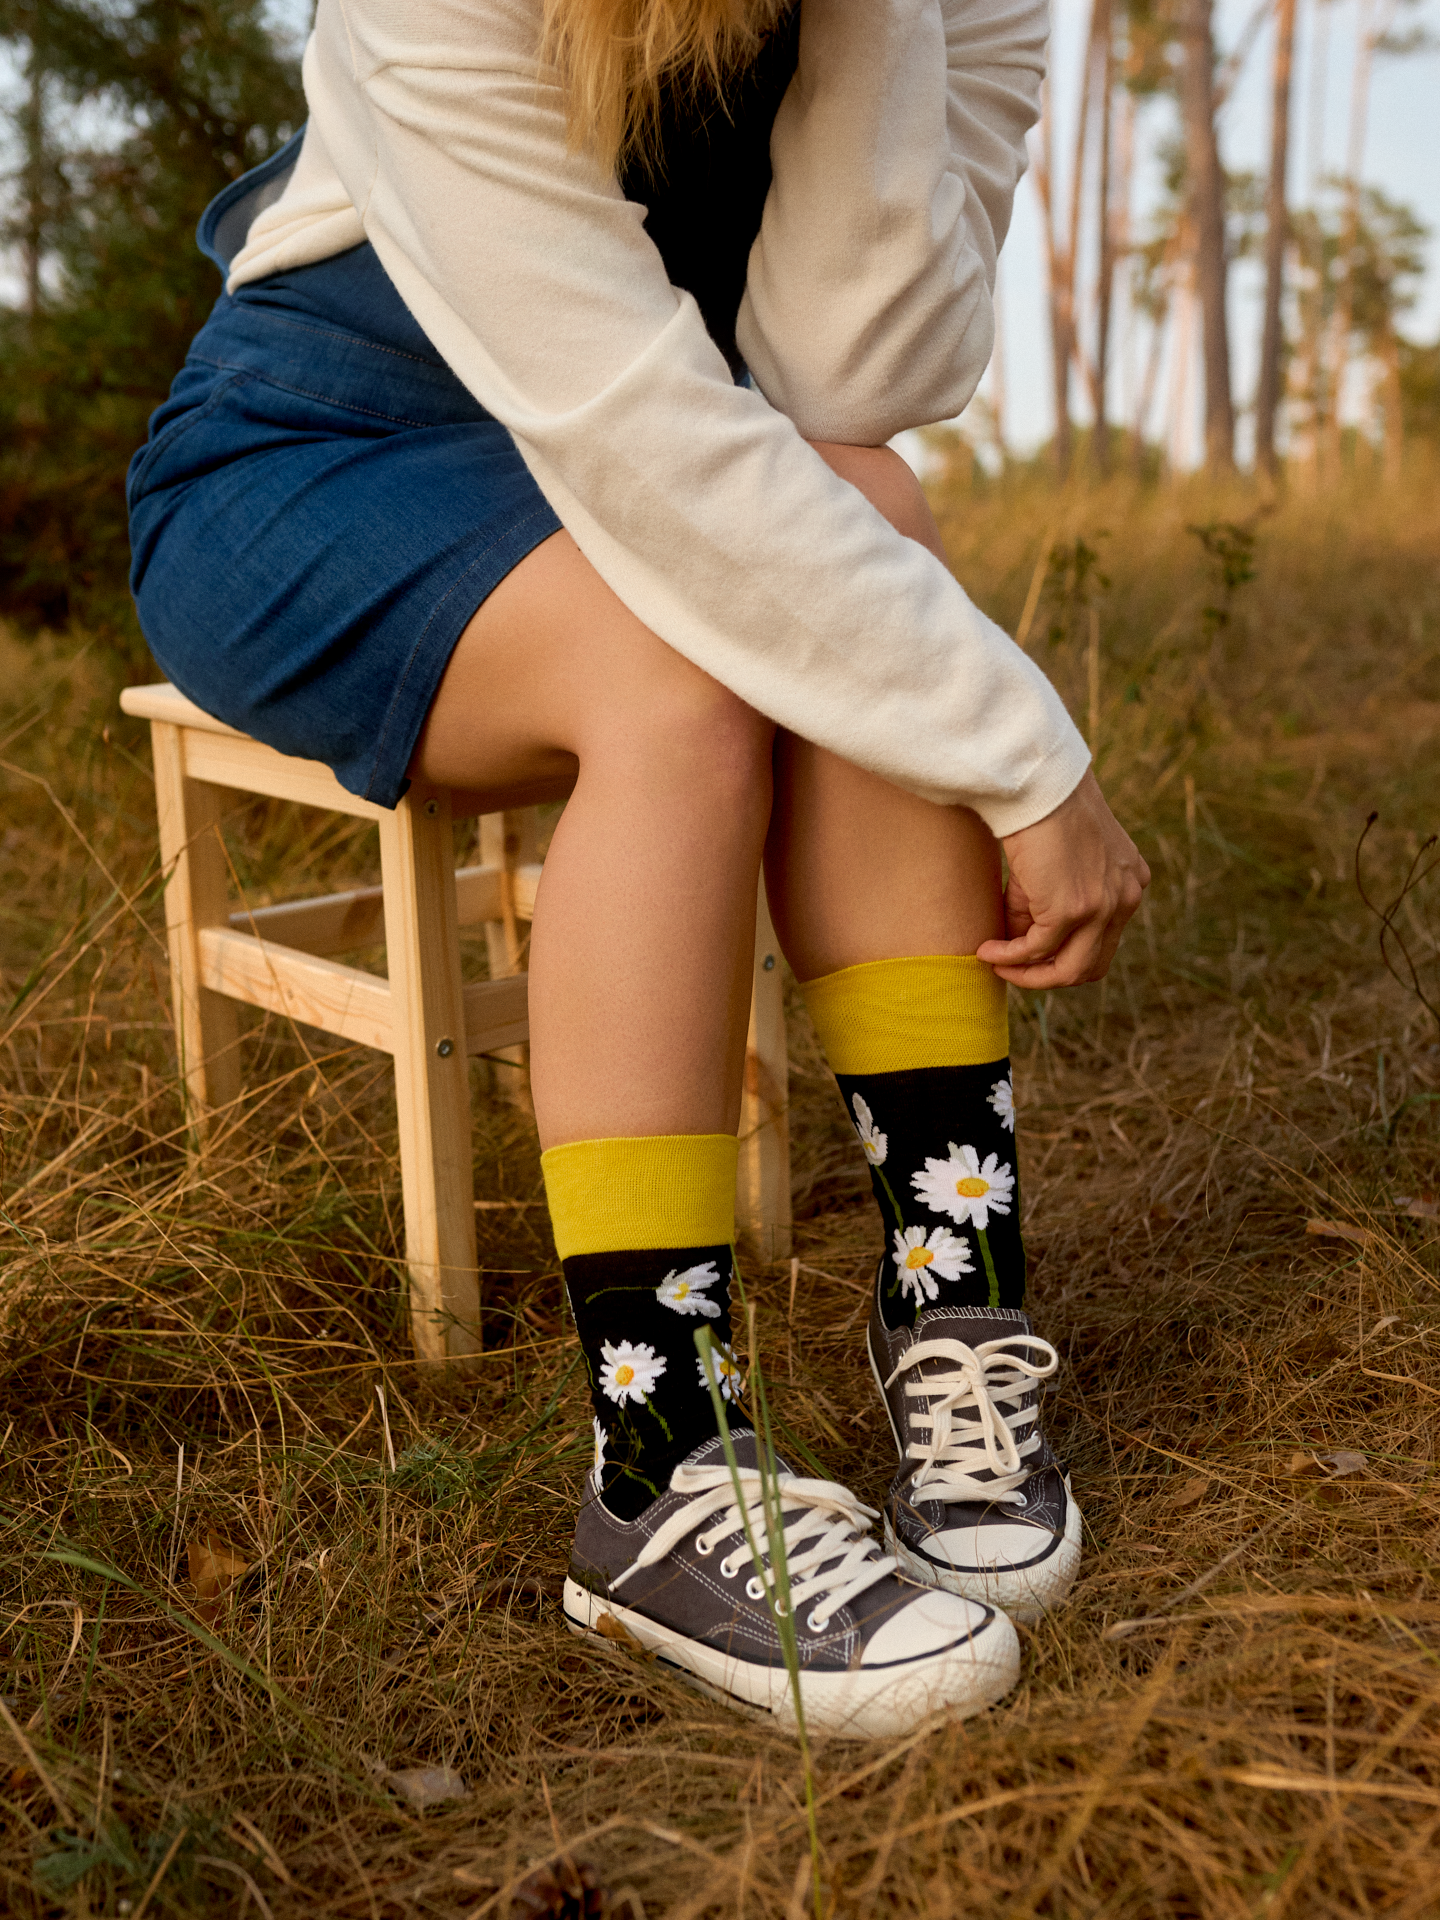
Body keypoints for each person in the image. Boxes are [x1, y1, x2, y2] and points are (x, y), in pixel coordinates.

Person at [127, 0, 1149, 1739]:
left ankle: (951, 1308)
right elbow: (641, 438)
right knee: (685, 672)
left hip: (642, 454)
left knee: (864, 520)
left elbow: (849, 379)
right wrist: (1025, 751)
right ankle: (658, 1461)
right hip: (326, 444)